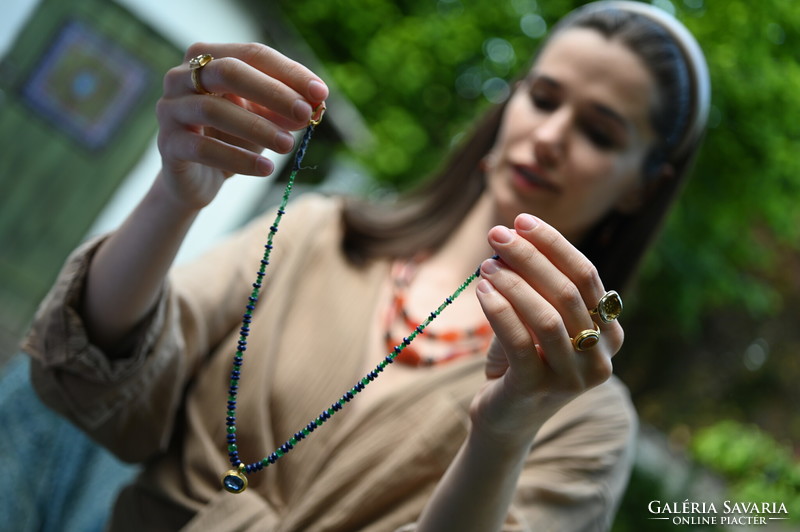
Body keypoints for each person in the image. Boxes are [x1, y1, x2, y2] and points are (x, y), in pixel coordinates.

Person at [22, 1, 710, 530]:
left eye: (598, 132)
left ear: (643, 184)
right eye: (543, 97)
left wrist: (506, 429)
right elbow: (93, 384)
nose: (551, 136)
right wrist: (173, 197)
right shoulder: (322, 233)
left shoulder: (584, 412)